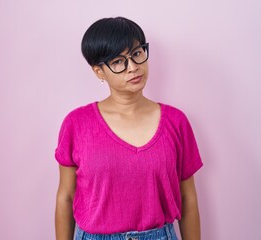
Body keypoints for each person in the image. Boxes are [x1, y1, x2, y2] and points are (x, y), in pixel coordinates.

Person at [54, 17, 203, 240]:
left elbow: (188, 197)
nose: (133, 67)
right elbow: (65, 196)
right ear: (98, 71)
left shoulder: (176, 121)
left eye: (137, 54)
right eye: (117, 61)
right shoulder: (76, 124)